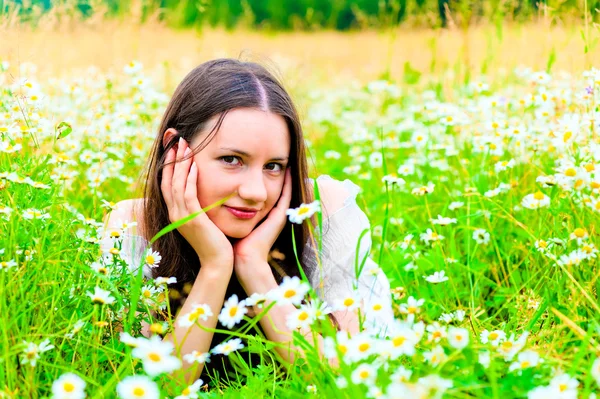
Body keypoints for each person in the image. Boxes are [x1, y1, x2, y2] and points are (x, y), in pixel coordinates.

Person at [103, 58, 394, 385]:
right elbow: (153, 384)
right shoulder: (133, 224)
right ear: (176, 149)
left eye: (273, 166)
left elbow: (343, 378)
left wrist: (254, 266)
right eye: (232, 160)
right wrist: (215, 263)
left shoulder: (322, 212)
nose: (256, 192)